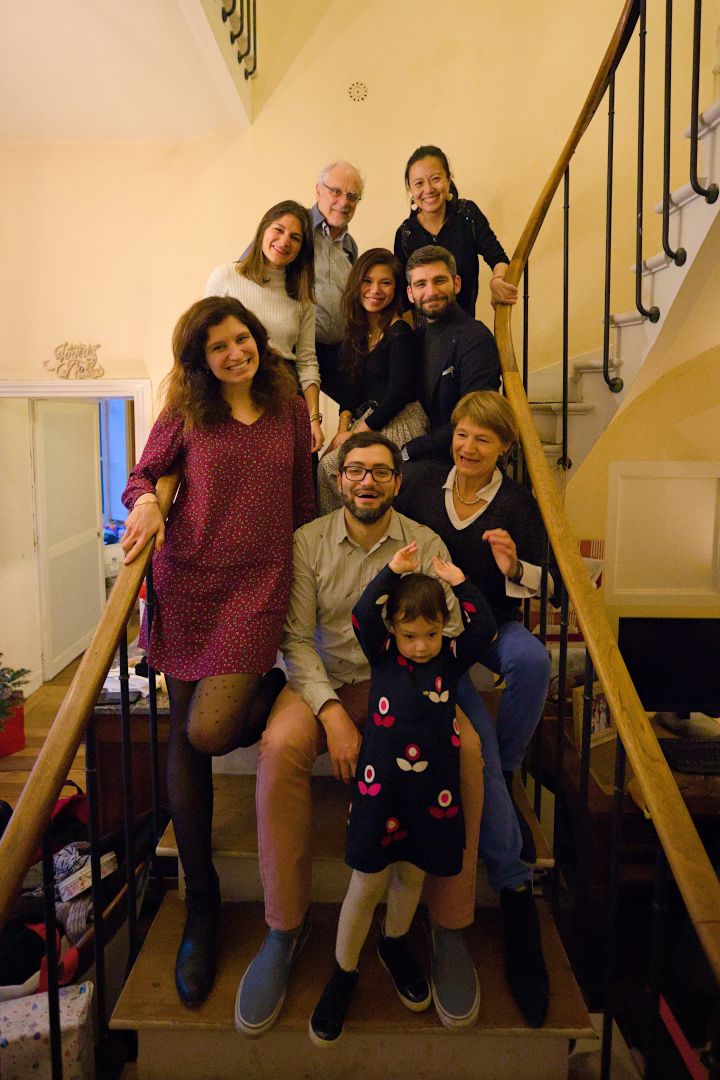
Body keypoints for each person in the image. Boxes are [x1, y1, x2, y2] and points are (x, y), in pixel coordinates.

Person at [234, 432, 486, 1037]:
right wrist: (331, 713)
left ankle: (448, 926)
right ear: (339, 480)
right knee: (279, 748)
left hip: (406, 687)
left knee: (470, 753)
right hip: (325, 680)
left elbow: (452, 629)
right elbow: (296, 640)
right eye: (354, 471)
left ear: (397, 481)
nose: (366, 481)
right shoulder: (308, 542)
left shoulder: (424, 543)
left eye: (379, 471)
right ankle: (284, 928)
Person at [120, 296, 315, 1009]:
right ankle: (200, 903)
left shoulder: (289, 405)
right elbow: (143, 475)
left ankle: (272, 684)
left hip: (258, 587)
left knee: (209, 729)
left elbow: (303, 501)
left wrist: (312, 587)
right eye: (218, 347)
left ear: (257, 338)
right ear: (200, 360)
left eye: (242, 339)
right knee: (185, 734)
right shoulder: (186, 410)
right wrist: (146, 502)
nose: (236, 353)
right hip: (188, 581)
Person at [396, 389, 552, 1027]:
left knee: (533, 662)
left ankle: (509, 768)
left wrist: (515, 568)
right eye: (462, 433)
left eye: (483, 439)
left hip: (492, 626)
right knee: (475, 749)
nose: (467, 446)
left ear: (504, 449)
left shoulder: (518, 504)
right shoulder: (421, 484)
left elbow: (553, 585)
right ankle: (515, 886)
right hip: (440, 642)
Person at [309, 547, 496, 1046]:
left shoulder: (450, 661)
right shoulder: (382, 655)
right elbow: (361, 614)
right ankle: (343, 972)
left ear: (442, 630)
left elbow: (482, 628)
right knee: (367, 883)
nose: (421, 646)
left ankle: (394, 944)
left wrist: (459, 581)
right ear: (393, 630)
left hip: (431, 796)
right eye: (410, 635)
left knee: (412, 875)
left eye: (431, 634)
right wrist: (390, 572)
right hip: (382, 793)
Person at [205, 200, 324, 453]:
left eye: (295, 237)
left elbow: (307, 360)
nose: (284, 241)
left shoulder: (303, 295)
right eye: (278, 230)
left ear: (302, 248)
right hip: (234, 389)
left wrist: (313, 418)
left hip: (284, 394)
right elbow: (204, 343)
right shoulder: (226, 276)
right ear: (263, 230)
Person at [316, 247, 426, 513]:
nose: (375, 290)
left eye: (385, 283)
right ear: (357, 284)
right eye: (367, 281)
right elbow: (351, 390)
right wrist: (342, 429)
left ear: (396, 289)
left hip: (401, 420)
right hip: (371, 418)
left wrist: (354, 434)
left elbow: (397, 396)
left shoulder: (399, 333)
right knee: (325, 462)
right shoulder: (361, 332)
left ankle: (348, 529)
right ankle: (340, 531)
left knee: (331, 468)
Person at [401, 245, 500, 465]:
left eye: (439, 281)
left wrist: (408, 450)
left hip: (459, 459)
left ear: (456, 283)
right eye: (421, 284)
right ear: (410, 293)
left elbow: (475, 417)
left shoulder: (475, 338)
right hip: (423, 453)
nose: (431, 292)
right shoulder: (414, 338)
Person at [394, 145, 518, 315]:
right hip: (424, 329)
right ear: (410, 189)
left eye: (435, 179)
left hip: (465, 325)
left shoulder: (467, 214)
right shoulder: (405, 233)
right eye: (419, 183)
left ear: (449, 179)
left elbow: (498, 258)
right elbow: (403, 297)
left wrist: (497, 280)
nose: (428, 189)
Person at [311, 161, 363, 405]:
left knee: (357, 404)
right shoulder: (295, 230)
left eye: (352, 196)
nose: (344, 202)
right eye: (336, 191)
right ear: (318, 190)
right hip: (298, 352)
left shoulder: (350, 245)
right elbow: (249, 269)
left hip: (338, 351)